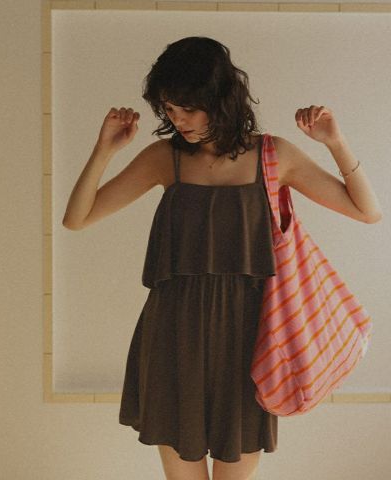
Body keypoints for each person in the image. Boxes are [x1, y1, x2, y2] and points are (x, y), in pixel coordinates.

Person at [62, 36, 382, 480]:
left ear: (220, 98)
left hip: (251, 339)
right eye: (169, 109)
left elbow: (367, 211)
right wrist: (104, 150)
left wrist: (336, 141)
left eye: (188, 108)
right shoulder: (164, 158)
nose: (178, 120)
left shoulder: (273, 155)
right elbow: (77, 219)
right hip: (173, 334)